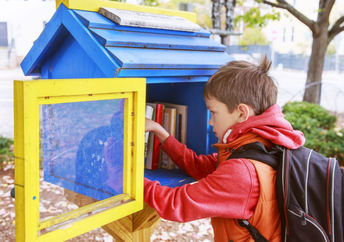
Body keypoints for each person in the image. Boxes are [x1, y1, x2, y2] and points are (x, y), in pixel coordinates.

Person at [144, 56, 305, 241]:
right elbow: (199, 165)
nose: (210, 121)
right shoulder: (264, 144)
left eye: (213, 112)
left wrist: (124, 177)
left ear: (241, 112)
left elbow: (175, 204)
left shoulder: (243, 171)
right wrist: (160, 132)